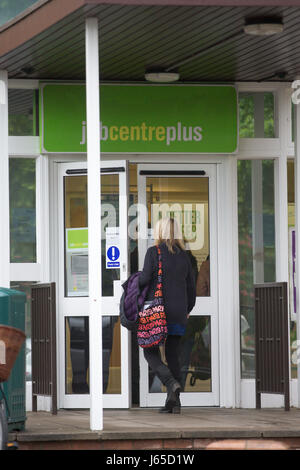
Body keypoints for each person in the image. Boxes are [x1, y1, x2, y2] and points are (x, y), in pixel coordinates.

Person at [139, 217, 196, 413]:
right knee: (172, 354)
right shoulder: (185, 257)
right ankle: (174, 403)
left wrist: (132, 282)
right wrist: (188, 309)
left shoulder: (153, 253)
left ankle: (171, 382)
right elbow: (191, 287)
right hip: (179, 312)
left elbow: (145, 278)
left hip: (159, 311)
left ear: (160, 232)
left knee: (149, 350)